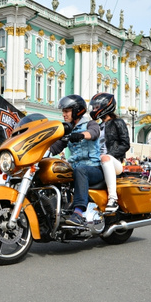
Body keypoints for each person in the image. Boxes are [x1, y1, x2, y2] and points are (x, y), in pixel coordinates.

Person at [50, 94, 101, 226]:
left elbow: (94, 133)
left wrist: (81, 135)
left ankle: (78, 212)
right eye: (63, 112)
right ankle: (55, 210)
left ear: (77, 110)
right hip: (76, 168)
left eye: (66, 111)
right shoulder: (67, 129)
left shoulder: (90, 123)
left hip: (93, 169)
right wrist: (42, 151)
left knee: (80, 170)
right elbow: (55, 147)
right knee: (52, 171)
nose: (64, 115)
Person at [88, 92, 129, 212]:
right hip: (99, 161)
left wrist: (109, 155)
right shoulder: (98, 126)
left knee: (105, 158)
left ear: (106, 106)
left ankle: (113, 199)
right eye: (93, 107)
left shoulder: (118, 122)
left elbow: (125, 144)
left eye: (96, 107)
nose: (94, 110)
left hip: (115, 162)